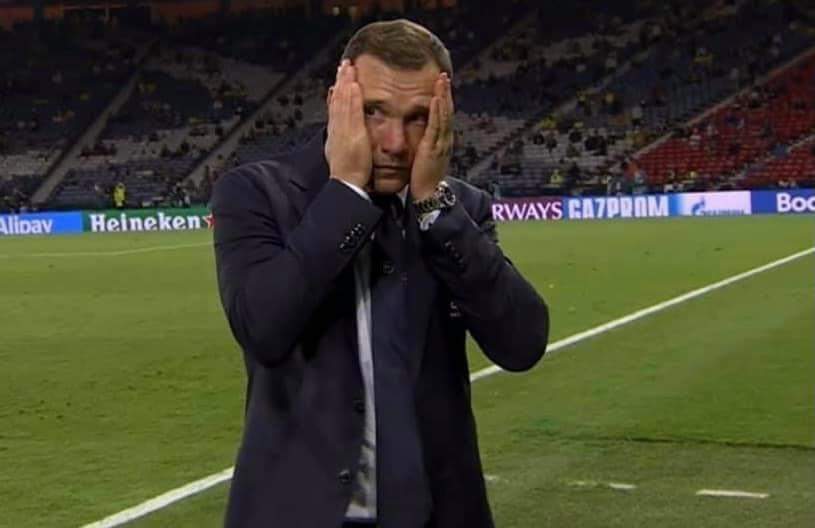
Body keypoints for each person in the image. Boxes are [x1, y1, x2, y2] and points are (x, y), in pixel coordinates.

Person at [211, 19, 549, 528]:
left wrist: (433, 207)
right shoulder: (257, 194)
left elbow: (522, 344)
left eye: (418, 119)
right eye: (374, 112)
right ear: (337, 102)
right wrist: (346, 191)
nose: (395, 142)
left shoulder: (459, 209)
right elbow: (263, 328)